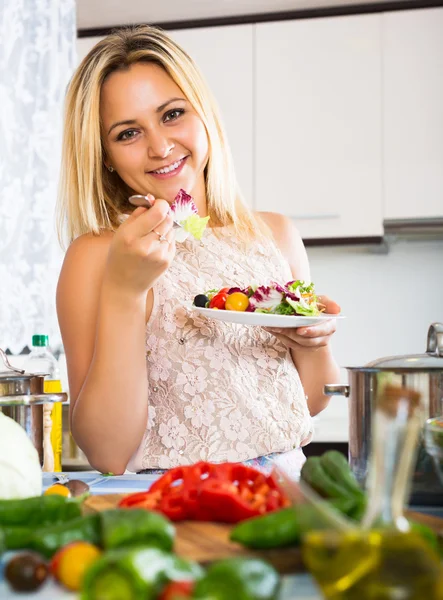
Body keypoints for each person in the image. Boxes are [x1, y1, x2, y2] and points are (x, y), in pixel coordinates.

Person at [56, 25, 341, 477]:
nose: (160, 146)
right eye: (128, 133)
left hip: (288, 501)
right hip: (176, 512)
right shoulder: (96, 255)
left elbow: (307, 401)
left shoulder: (275, 233)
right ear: (105, 154)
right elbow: (107, 452)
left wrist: (312, 344)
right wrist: (124, 292)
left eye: (172, 114)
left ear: (204, 112)